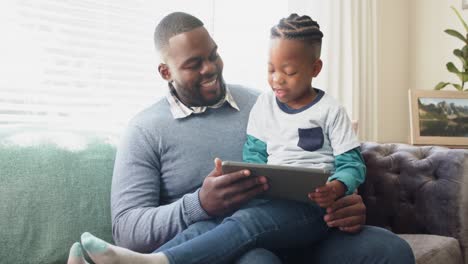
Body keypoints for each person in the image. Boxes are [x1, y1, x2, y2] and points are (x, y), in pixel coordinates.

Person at [67, 12, 415, 264]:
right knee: (257, 259)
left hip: (306, 226)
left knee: (391, 250)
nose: (210, 68)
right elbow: (127, 228)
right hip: (231, 245)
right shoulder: (145, 129)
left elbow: (335, 159)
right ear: (165, 72)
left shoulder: (266, 101)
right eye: (193, 63)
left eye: (213, 54)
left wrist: (346, 197)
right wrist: (199, 204)